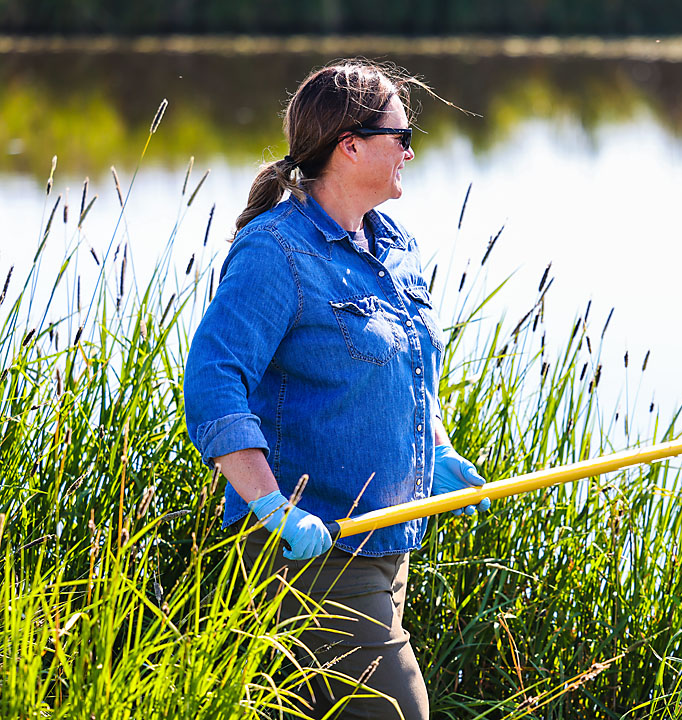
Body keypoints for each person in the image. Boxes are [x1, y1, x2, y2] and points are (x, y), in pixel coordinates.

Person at [183, 60, 489, 720]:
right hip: (310, 558)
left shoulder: (393, 245)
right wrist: (271, 508)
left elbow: (410, 376)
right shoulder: (277, 251)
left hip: (386, 545)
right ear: (349, 145)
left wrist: (437, 452)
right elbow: (213, 382)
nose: (410, 150)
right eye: (401, 135)